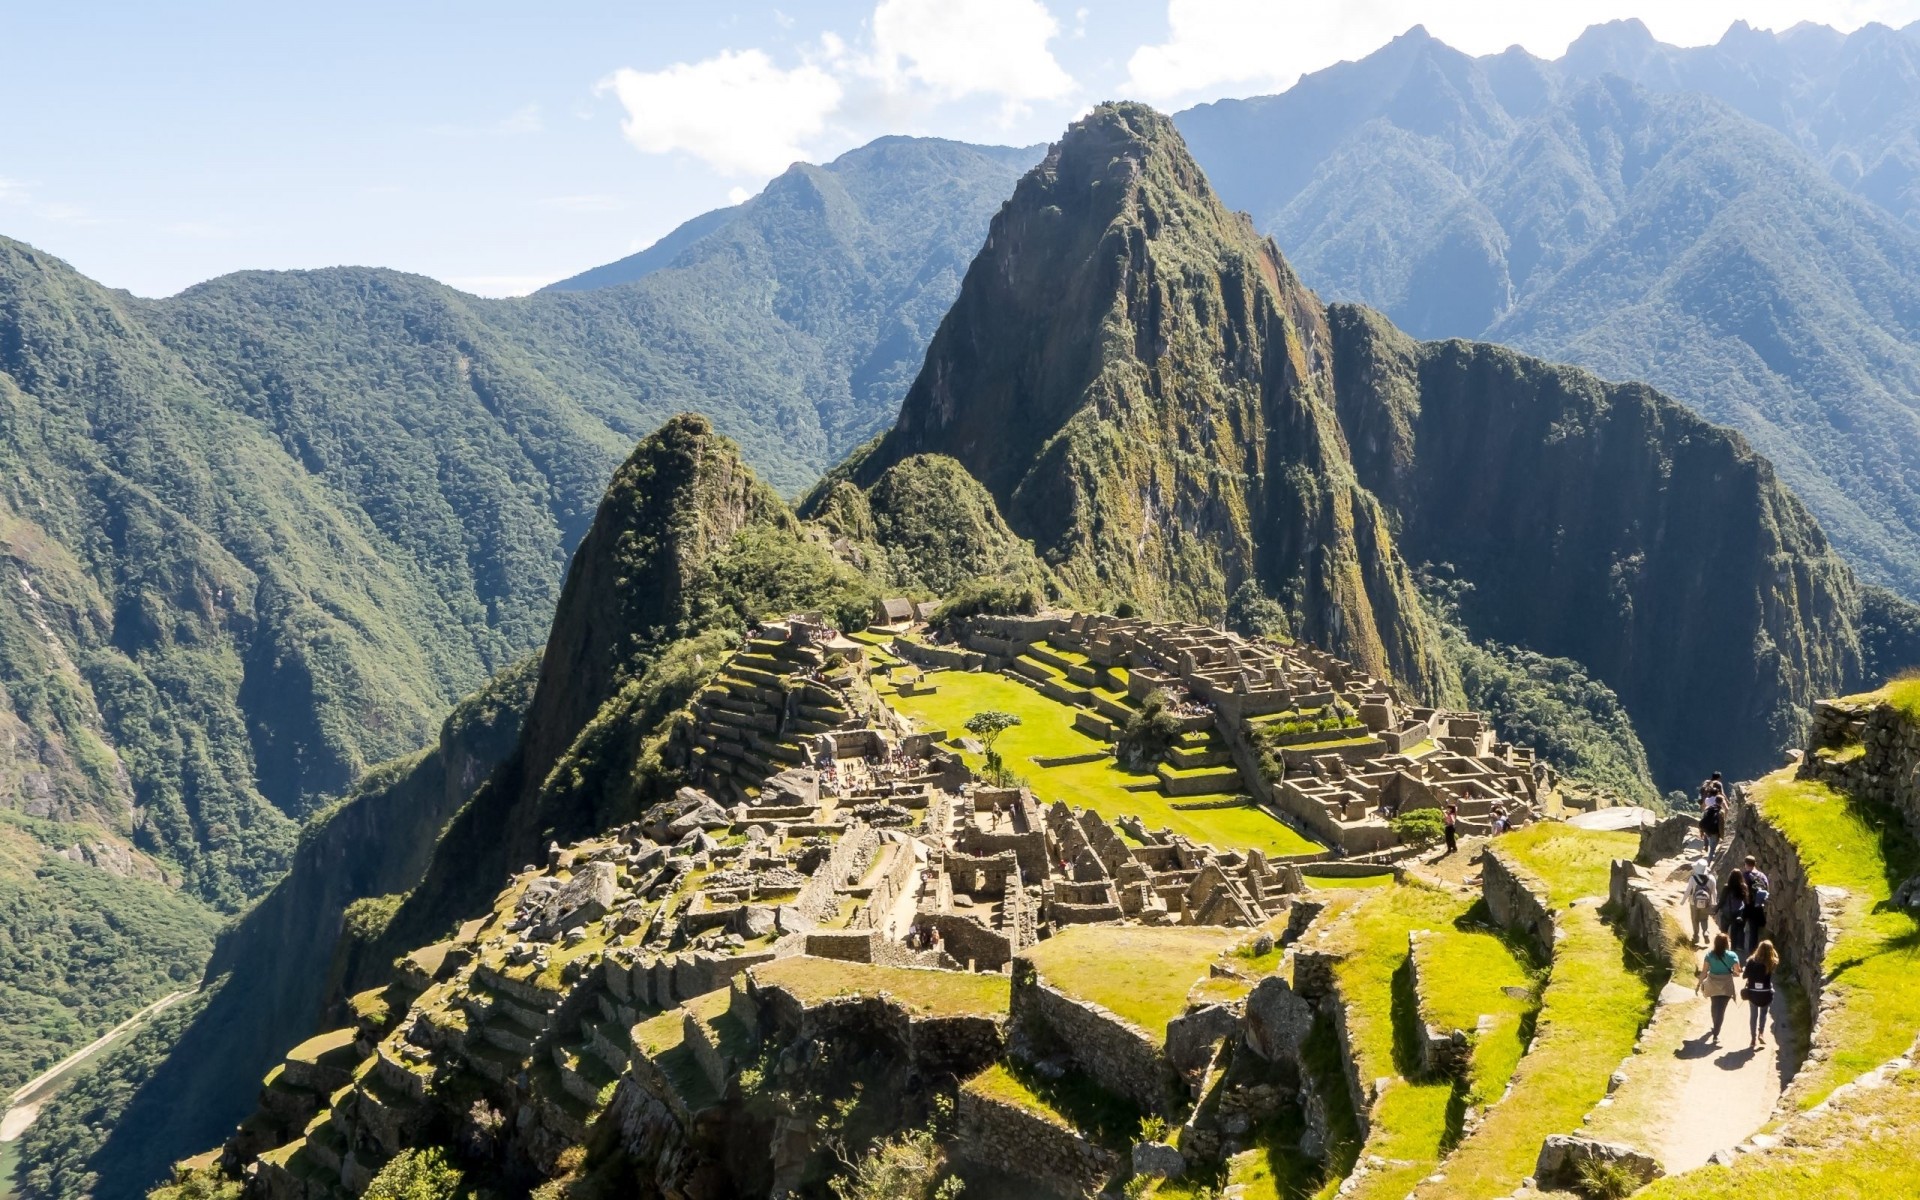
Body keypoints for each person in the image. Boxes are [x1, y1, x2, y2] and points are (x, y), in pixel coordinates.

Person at [1696, 932, 1742, 1043]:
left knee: (1714, 1006)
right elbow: (1737, 972)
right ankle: (1716, 1034)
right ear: (1727, 943)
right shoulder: (1732, 955)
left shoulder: (1709, 955)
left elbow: (1704, 972)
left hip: (1712, 984)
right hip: (1726, 984)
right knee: (1721, 1009)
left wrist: (1698, 984)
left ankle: (1715, 1027)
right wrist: (1733, 972)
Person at [1743, 938, 1779, 1049]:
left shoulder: (1751, 961)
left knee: (1753, 1016)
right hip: (1766, 993)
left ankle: (1753, 1039)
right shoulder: (1772, 962)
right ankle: (1761, 1033)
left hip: (1753, 992)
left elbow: (1744, 976)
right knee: (1763, 1014)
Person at [1742, 856, 1771, 954]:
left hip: (1748, 907)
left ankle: (1750, 954)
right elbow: (1767, 890)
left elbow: (1742, 891)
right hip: (1760, 907)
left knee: (1750, 932)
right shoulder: (1762, 876)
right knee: (1757, 932)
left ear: (1746, 864)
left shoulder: (1745, 876)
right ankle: (1759, 953)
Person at [1718, 868, 1751, 955]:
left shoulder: (1726, 887)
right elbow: (1746, 902)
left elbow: (1721, 900)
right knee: (1734, 935)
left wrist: (1716, 909)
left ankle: (1722, 950)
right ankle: (1732, 952)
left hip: (1726, 913)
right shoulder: (1743, 887)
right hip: (1737, 914)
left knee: (1723, 933)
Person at [1686, 860, 1718, 947]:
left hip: (1694, 902)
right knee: (1704, 919)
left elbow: (1688, 890)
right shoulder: (1711, 878)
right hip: (1706, 903)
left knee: (1695, 919)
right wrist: (1714, 902)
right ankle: (1705, 932)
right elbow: (1714, 891)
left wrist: (1683, 900)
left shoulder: (1693, 878)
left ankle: (1696, 936)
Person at [1699, 792, 1724, 861]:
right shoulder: (1721, 811)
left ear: (1715, 800)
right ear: (1721, 802)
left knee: (1711, 846)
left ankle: (1708, 852)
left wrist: (1701, 831)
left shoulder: (1708, 809)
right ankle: (1708, 863)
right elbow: (1721, 825)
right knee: (1712, 848)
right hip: (1714, 832)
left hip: (1707, 831)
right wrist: (1722, 836)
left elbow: (1703, 819)